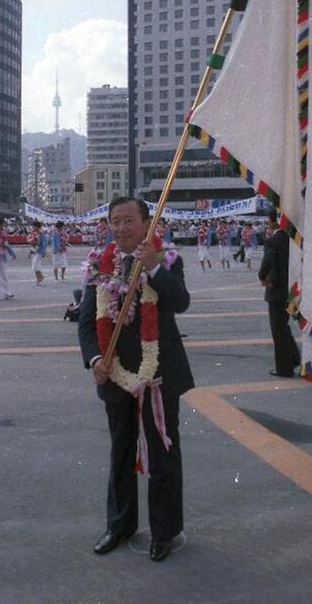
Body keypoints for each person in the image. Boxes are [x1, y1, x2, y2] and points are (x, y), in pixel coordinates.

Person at [78, 197, 194, 562]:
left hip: (158, 376)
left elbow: (181, 302)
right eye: (115, 221)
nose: (122, 227)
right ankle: (119, 525)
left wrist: (154, 267)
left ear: (147, 223)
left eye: (130, 220)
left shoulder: (168, 259)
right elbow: (85, 324)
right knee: (121, 452)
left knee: (162, 455)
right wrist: (95, 358)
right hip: (115, 376)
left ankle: (164, 532)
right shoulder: (101, 263)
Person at [258, 209, 300, 378]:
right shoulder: (295, 240)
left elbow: (268, 261)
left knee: (278, 329)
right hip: (295, 288)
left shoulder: (273, 241)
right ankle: (294, 359)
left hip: (277, 291)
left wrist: (261, 276)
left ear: (274, 221)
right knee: (284, 327)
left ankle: (284, 368)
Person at [28, 220, 47, 285]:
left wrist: (44, 251)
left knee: (36, 265)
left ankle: (40, 279)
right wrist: (30, 252)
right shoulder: (33, 232)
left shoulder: (41, 233)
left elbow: (44, 243)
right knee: (35, 266)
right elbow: (30, 242)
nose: (33, 228)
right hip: (34, 250)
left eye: (34, 226)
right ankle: (39, 278)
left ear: (37, 226)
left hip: (39, 251)